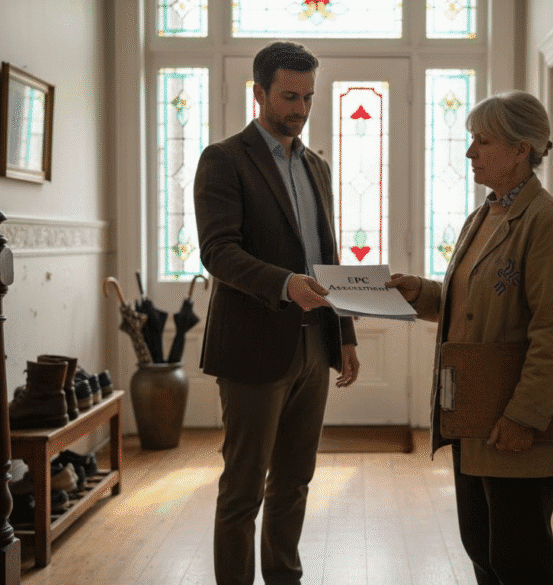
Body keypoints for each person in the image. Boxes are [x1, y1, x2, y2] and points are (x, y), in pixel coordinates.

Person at [386, 90, 553, 584]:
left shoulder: (547, 221)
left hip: (510, 418)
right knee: (481, 546)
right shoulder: (484, 216)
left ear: (521, 149)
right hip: (472, 412)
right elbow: (475, 306)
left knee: (519, 559)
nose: (470, 152)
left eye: (483, 141)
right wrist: (422, 293)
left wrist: (524, 416)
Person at [193, 41, 361, 585]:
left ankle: (285, 577)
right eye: (289, 97)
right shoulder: (223, 159)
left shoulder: (317, 167)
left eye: (308, 97)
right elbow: (218, 251)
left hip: (315, 344)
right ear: (259, 93)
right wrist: (286, 284)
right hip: (251, 346)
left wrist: (345, 335)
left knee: (294, 482)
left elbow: (327, 257)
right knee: (243, 491)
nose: (301, 109)